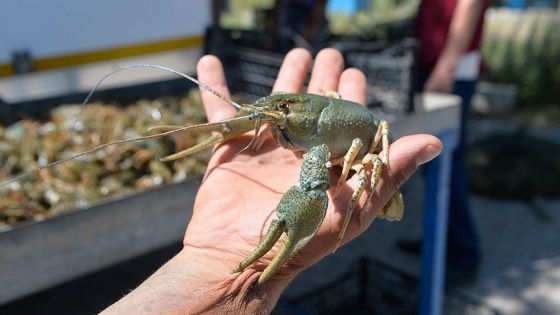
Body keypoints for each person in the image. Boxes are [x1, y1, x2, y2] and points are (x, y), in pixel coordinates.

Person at [100, 48, 442, 314]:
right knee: (264, 110)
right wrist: (211, 269)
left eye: (287, 107)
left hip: (365, 143)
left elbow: (315, 182)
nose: (279, 113)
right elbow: (269, 108)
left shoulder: (320, 151)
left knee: (312, 183)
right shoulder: (289, 113)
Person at [398, 0, 489, 284]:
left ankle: (464, 255)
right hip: (434, 64)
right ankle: (438, 241)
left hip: (451, 70)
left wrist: (446, 67)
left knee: (449, 164)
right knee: (433, 163)